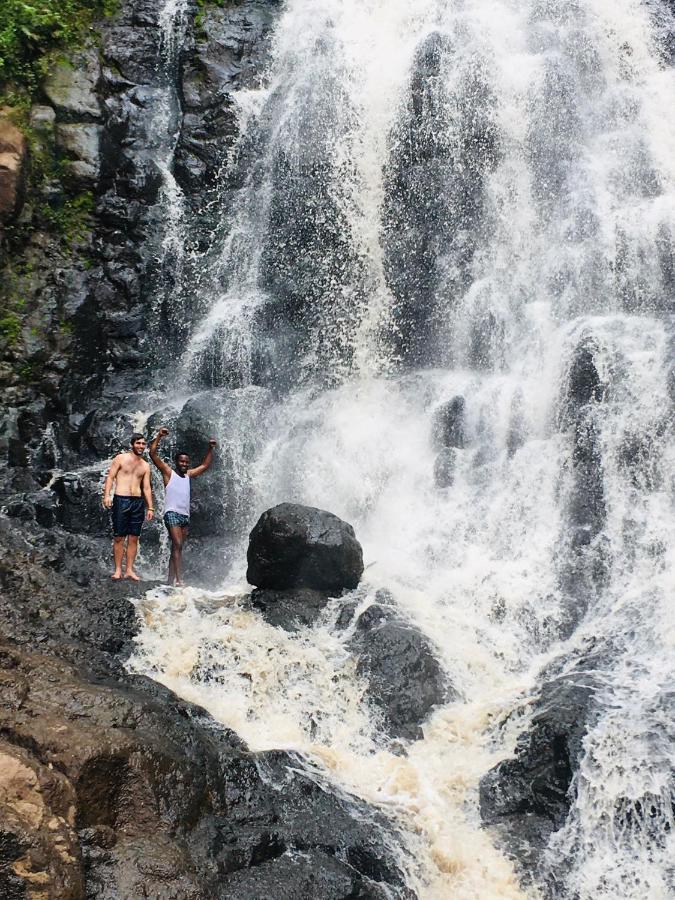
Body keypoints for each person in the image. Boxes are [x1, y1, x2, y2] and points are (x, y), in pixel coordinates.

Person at [149, 427, 217, 586]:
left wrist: (210, 448)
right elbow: (153, 454)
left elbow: (205, 466)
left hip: (184, 516)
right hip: (171, 513)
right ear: (176, 462)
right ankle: (180, 580)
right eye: (181, 461)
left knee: (177, 548)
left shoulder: (189, 475)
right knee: (178, 545)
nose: (184, 464)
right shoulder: (168, 473)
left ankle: (169, 580)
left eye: (186, 462)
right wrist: (159, 436)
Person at [102, 433, 154, 581]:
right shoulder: (121, 458)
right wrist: (107, 496)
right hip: (121, 499)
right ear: (132, 444)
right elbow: (110, 476)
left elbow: (146, 488)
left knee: (134, 538)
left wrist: (150, 507)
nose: (141, 446)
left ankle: (129, 570)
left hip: (138, 502)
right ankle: (118, 570)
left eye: (143, 444)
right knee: (119, 537)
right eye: (138, 443)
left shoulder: (145, 465)